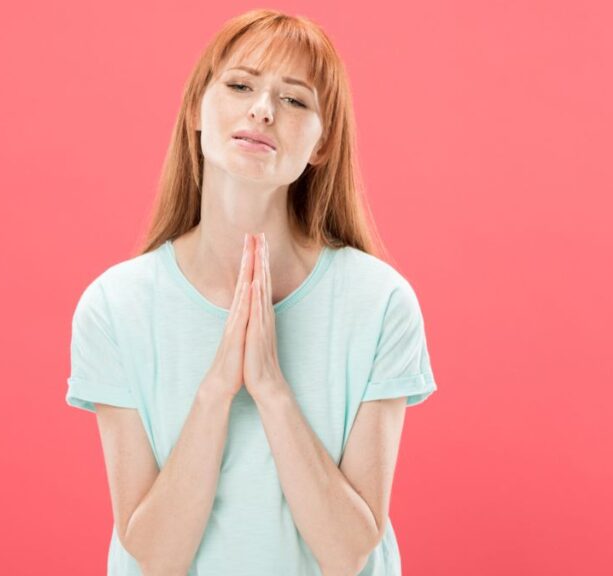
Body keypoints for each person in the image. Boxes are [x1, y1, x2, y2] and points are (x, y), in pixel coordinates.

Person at [66, 9, 437, 575]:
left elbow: (349, 553)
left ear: (321, 144)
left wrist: (270, 388)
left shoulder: (379, 302)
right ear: (196, 109)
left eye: (294, 100)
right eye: (240, 85)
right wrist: (218, 388)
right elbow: (156, 557)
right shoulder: (115, 308)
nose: (263, 109)